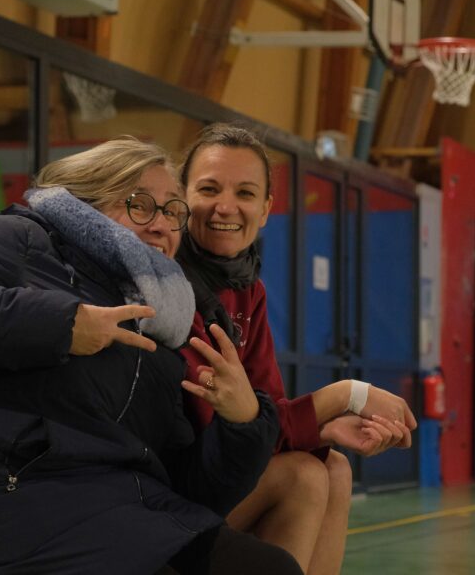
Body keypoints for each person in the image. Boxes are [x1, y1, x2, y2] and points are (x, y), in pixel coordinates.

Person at [0, 137, 304, 575]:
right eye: (140, 205)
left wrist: (242, 424)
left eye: (174, 212)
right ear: (89, 201)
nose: (161, 225)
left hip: (115, 512)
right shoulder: (22, 237)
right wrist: (63, 324)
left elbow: (191, 491)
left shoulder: (160, 323)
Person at [176, 124, 418, 575]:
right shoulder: (173, 287)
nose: (225, 206)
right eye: (208, 189)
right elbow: (226, 428)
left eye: (245, 193)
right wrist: (348, 395)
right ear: (181, 196)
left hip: (215, 479)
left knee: (336, 468)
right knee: (303, 475)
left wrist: (322, 432)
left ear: (266, 209)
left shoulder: (248, 288)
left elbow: (265, 413)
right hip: (172, 494)